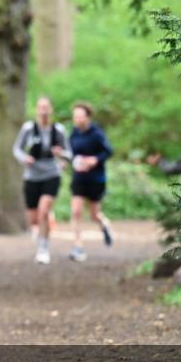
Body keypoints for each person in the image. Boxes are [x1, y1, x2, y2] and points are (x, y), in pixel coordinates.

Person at [13, 97, 70, 264]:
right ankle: (39, 234)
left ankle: (43, 249)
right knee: (34, 218)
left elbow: (69, 153)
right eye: (41, 107)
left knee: (43, 211)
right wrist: (24, 158)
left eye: (46, 107)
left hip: (51, 174)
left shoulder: (58, 130)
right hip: (32, 176)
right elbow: (16, 148)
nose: (43, 110)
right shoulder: (28, 128)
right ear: (37, 110)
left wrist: (62, 157)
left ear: (51, 109)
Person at [68, 102, 113, 262]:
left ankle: (104, 225)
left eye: (80, 116)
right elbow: (71, 153)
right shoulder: (73, 133)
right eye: (75, 116)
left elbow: (109, 151)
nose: (77, 119)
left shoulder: (97, 133)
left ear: (87, 117)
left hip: (95, 178)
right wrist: (66, 158)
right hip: (79, 177)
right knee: (76, 211)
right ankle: (78, 246)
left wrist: (94, 160)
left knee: (94, 214)